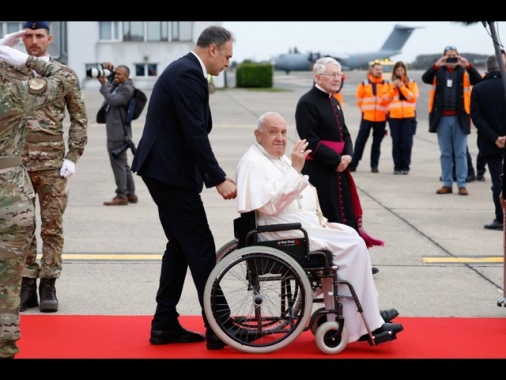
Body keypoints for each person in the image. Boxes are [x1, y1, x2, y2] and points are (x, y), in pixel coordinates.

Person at [236, 111, 403, 344]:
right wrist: (295, 169)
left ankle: (367, 311)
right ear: (258, 135)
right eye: (273, 132)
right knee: (353, 245)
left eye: (283, 133)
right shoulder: (253, 161)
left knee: (351, 234)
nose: (280, 138)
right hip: (282, 233)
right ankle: (364, 324)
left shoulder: (277, 157)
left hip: (298, 226)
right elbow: (271, 206)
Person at [131, 25, 237, 350]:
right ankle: (220, 327)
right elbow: (195, 133)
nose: (229, 64)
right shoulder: (188, 73)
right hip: (169, 174)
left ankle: (164, 324)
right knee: (201, 246)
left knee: (180, 246)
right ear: (213, 49)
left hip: (166, 172)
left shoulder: (187, 70)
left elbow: (190, 129)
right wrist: (218, 178)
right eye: (228, 56)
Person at [0, 37, 78, 358]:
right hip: (10, 199)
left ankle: (45, 283)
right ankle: (4, 346)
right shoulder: (13, 95)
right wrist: (25, 62)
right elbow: (66, 81)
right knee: (7, 287)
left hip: (43, 167)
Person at [18, 21, 88, 313]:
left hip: (52, 165)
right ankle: (26, 284)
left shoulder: (64, 74)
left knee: (52, 227)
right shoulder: (9, 70)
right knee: (20, 227)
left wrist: (73, 155)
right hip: (16, 164)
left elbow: (79, 119)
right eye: (28, 36)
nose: (34, 42)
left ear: (49, 38)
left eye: (39, 36)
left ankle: (48, 284)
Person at [295, 57, 383, 276]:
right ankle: (333, 265)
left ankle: (356, 262)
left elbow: (345, 135)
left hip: (339, 169)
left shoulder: (334, 101)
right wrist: (337, 161)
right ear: (318, 77)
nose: (337, 78)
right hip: (320, 173)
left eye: (339, 74)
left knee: (347, 217)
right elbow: (310, 141)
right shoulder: (307, 102)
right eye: (332, 74)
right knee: (330, 218)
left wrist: (349, 156)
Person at [421, 45, 482, 196]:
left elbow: (478, 80)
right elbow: (425, 78)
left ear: (459, 56)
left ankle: (461, 184)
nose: (451, 58)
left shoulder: (464, 71)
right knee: (445, 153)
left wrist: (467, 64)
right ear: (443, 57)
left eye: (454, 55)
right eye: (448, 56)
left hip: (460, 117)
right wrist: (437, 64)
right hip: (442, 118)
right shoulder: (438, 72)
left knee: (460, 152)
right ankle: (447, 183)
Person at [470, 54, 506, 231]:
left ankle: (501, 217)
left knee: (497, 180)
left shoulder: (478, 88)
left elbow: (476, 117)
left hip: (491, 142)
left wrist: (495, 137)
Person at [98, 63, 138, 206]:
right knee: (123, 163)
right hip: (118, 131)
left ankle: (121, 195)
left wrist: (103, 86)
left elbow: (112, 100)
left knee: (118, 164)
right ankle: (130, 193)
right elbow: (112, 85)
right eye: (115, 74)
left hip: (118, 133)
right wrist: (109, 69)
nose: (116, 76)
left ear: (126, 76)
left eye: (119, 74)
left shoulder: (127, 89)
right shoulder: (120, 85)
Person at [349, 61, 389, 173]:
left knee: (377, 143)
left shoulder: (387, 84)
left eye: (380, 69)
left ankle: (374, 165)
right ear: (371, 70)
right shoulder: (364, 84)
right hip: (367, 117)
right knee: (360, 141)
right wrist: (365, 111)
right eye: (377, 69)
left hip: (381, 119)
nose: (379, 71)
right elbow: (359, 100)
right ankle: (354, 164)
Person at [383, 61, 419, 175]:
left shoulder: (412, 82)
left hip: (408, 116)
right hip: (394, 117)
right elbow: (384, 99)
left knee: (407, 142)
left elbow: (413, 98)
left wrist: (402, 87)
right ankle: (397, 167)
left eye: (401, 70)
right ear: (394, 71)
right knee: (396, 143)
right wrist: (394, 88)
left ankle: (406, 166)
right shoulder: (388, 83)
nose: (399, 72)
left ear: (405, 71)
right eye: (397, 70)